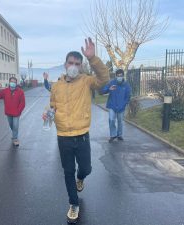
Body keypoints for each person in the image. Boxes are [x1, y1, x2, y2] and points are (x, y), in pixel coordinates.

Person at [50, 37, 109, 223]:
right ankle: (73, 204)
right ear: (65, 64)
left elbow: (104, 79)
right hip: (63, 136)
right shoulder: (56, 86)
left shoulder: (86, 81)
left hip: (82, 134)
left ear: (81, 66)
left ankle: (81, 178)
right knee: (67, 171)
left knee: (86, 168)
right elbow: (52, 105)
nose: (74, 66)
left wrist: (93, 58)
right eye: (71, 63)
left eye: (77, 63)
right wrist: (48, 113)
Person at [100, 69, 131, 143]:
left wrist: (123, 105)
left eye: (121, 76)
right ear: (116, 76)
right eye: (118, 76)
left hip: (121, 107)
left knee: (120, 121)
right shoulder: (112, 83)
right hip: (112, 106)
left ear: (123, 76)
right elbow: (102, 91)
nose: (119, 77)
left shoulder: (126, 85)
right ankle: (113, 135)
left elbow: (128, 96)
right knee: (111, 120)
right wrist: (109, 89)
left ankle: (119, 135)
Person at [0, 77, 25, 147]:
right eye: (11, 81)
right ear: (9, 82)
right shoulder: (5, 91)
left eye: (14, 82)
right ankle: (14, 134)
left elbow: (22, 103)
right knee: (12, 125)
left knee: (15, 126)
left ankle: (15, 138)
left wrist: (18, 111)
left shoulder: (20, 92)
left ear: (16, 83)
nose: (12, 83)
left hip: (16, 113)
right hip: (8, 113)